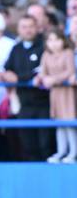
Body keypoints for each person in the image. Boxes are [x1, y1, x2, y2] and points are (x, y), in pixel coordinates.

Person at [0, 15, 55, 161]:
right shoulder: (16, 48)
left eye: (31, 26)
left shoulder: (45, 46)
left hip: (44, 103)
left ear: (37, 28)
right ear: (18, 29)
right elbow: (8, 69)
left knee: (46, 144)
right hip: (24, 104)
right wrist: (5, 75)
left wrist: (19, 78)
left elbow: (42, 70)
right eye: (24, 27)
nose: (28, 30)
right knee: (28, 145)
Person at [33, 29, 76, 163]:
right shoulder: (46, 55)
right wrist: (41, 78)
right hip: (55, 94)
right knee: (59, 123)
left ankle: (73, 152)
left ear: (63, 41)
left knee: (69, 123)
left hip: (67, 93)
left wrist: (54, 79)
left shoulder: (68, 53)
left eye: (57, 40)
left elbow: (70, 71)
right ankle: (61, 151)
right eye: (50, 40)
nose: (54, 44)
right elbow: (43, 71)